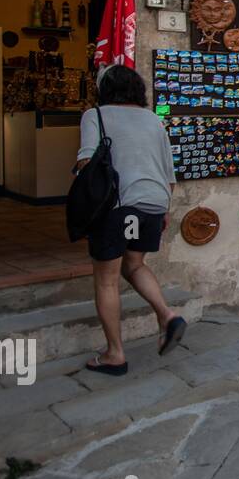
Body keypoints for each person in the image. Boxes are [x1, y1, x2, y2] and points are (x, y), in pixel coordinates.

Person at [75, 65, 186, 375]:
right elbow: (169, 175)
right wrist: (163, 209)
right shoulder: (153, 121)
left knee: (106, 279)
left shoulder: (95, 116)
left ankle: (115, 354)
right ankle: (167, 315)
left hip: (118, 205)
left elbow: (86, 161)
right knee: (134, 264)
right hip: (153, 203)